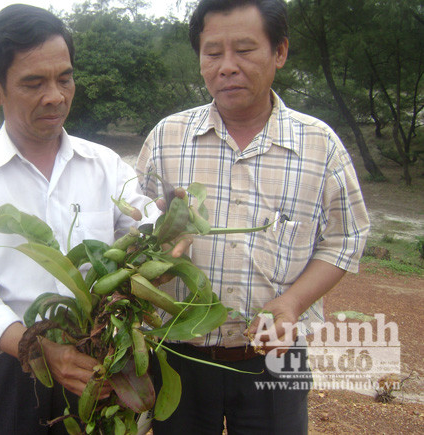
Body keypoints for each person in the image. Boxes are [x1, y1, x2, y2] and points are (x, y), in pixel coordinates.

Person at [136, 0, 370, 433]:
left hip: (277, 356)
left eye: (244, 50)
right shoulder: (167, 139)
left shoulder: (320, 146)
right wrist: (158, 242)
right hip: (179, 352)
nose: (227, 66)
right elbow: (136, 229)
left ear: (279, 52)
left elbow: (346, 238)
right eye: (213, 52)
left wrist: (293, 303)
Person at [0, 4, 158, 434]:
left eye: (64, 78)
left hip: (99, 355)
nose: (55, 96)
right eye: (33, 83)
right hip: (14, 368)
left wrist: (169, 228)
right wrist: (38, 349)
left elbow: (145, 225)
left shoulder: (105, 165)